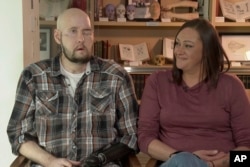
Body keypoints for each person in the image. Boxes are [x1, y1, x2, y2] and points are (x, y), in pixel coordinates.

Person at [7, 8, 138, 167]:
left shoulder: (116, 76)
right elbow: (18, 134)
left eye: (87, 32)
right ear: (57, 36)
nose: (81, 38)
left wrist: (100, 159)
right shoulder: (33, 76)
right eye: (73, 31)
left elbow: (131, 136)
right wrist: (50, 161)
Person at [137, 18, 250, 167]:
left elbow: (247, 150)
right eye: (177, 43)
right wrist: (181, 157)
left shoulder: (232, 86)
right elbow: (145, 138)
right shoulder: (157, 82)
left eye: (188, 46)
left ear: (207, 51)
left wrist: (221, 162)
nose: (178, 51)